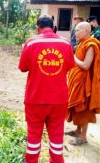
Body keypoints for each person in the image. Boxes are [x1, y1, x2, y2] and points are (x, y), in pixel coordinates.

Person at [19, 16, 75, 163]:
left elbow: (23, 68)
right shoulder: (66, 43)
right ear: (53, 27)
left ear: (38, 28)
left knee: (33, 135)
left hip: (35, 98)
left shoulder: (31, 43)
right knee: (57, 135)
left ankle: (31, 160)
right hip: (59, 99)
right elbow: (69, 66)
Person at [66, 22, 100, 145]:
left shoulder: (91, 45)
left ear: (86, 31)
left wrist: (72, 56)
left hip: (85, 83)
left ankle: (83, 137)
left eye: (78, 30)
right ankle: (78, 130)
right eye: (75, 30)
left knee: (84, 109)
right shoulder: (82, 43)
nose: (75, 32)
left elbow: (85, 65)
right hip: (77, 80)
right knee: (77, 107)